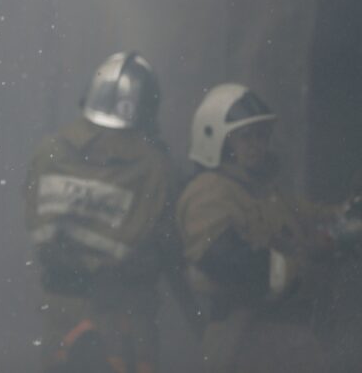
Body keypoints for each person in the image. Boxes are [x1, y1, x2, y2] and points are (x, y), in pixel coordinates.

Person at [176, 83, 352, 373]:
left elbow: (314, 215)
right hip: (242, 340)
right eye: (245, 136)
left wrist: (349, 215)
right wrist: (300, 265)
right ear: (217, 140)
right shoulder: (209, 191)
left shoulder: (262, 192)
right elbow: (225, 260)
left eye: (261, 135)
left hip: (286, 341)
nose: (256, 145)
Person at [25, 52, 182, 373]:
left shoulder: (50, 151)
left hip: (62, 315)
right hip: (126, 323)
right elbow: (170, 244)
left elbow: (36, 225)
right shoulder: (155, 166)